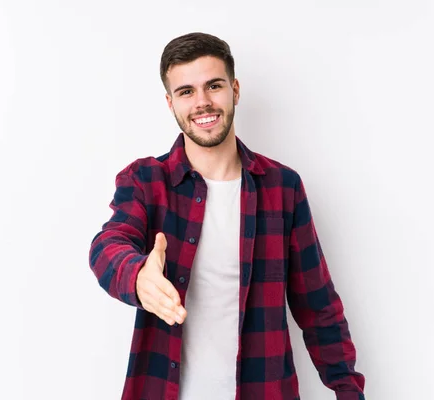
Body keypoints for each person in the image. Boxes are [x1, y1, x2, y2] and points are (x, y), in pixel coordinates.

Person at [88, 32, 366, 400]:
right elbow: (108, 245)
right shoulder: (145, 181)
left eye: (213, 86)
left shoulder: (282, 187)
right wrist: (137, 276)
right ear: (170, 103)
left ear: (235, 90)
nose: (202, 103)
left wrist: (348, 390)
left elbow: (317, 306)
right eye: (186, 92)